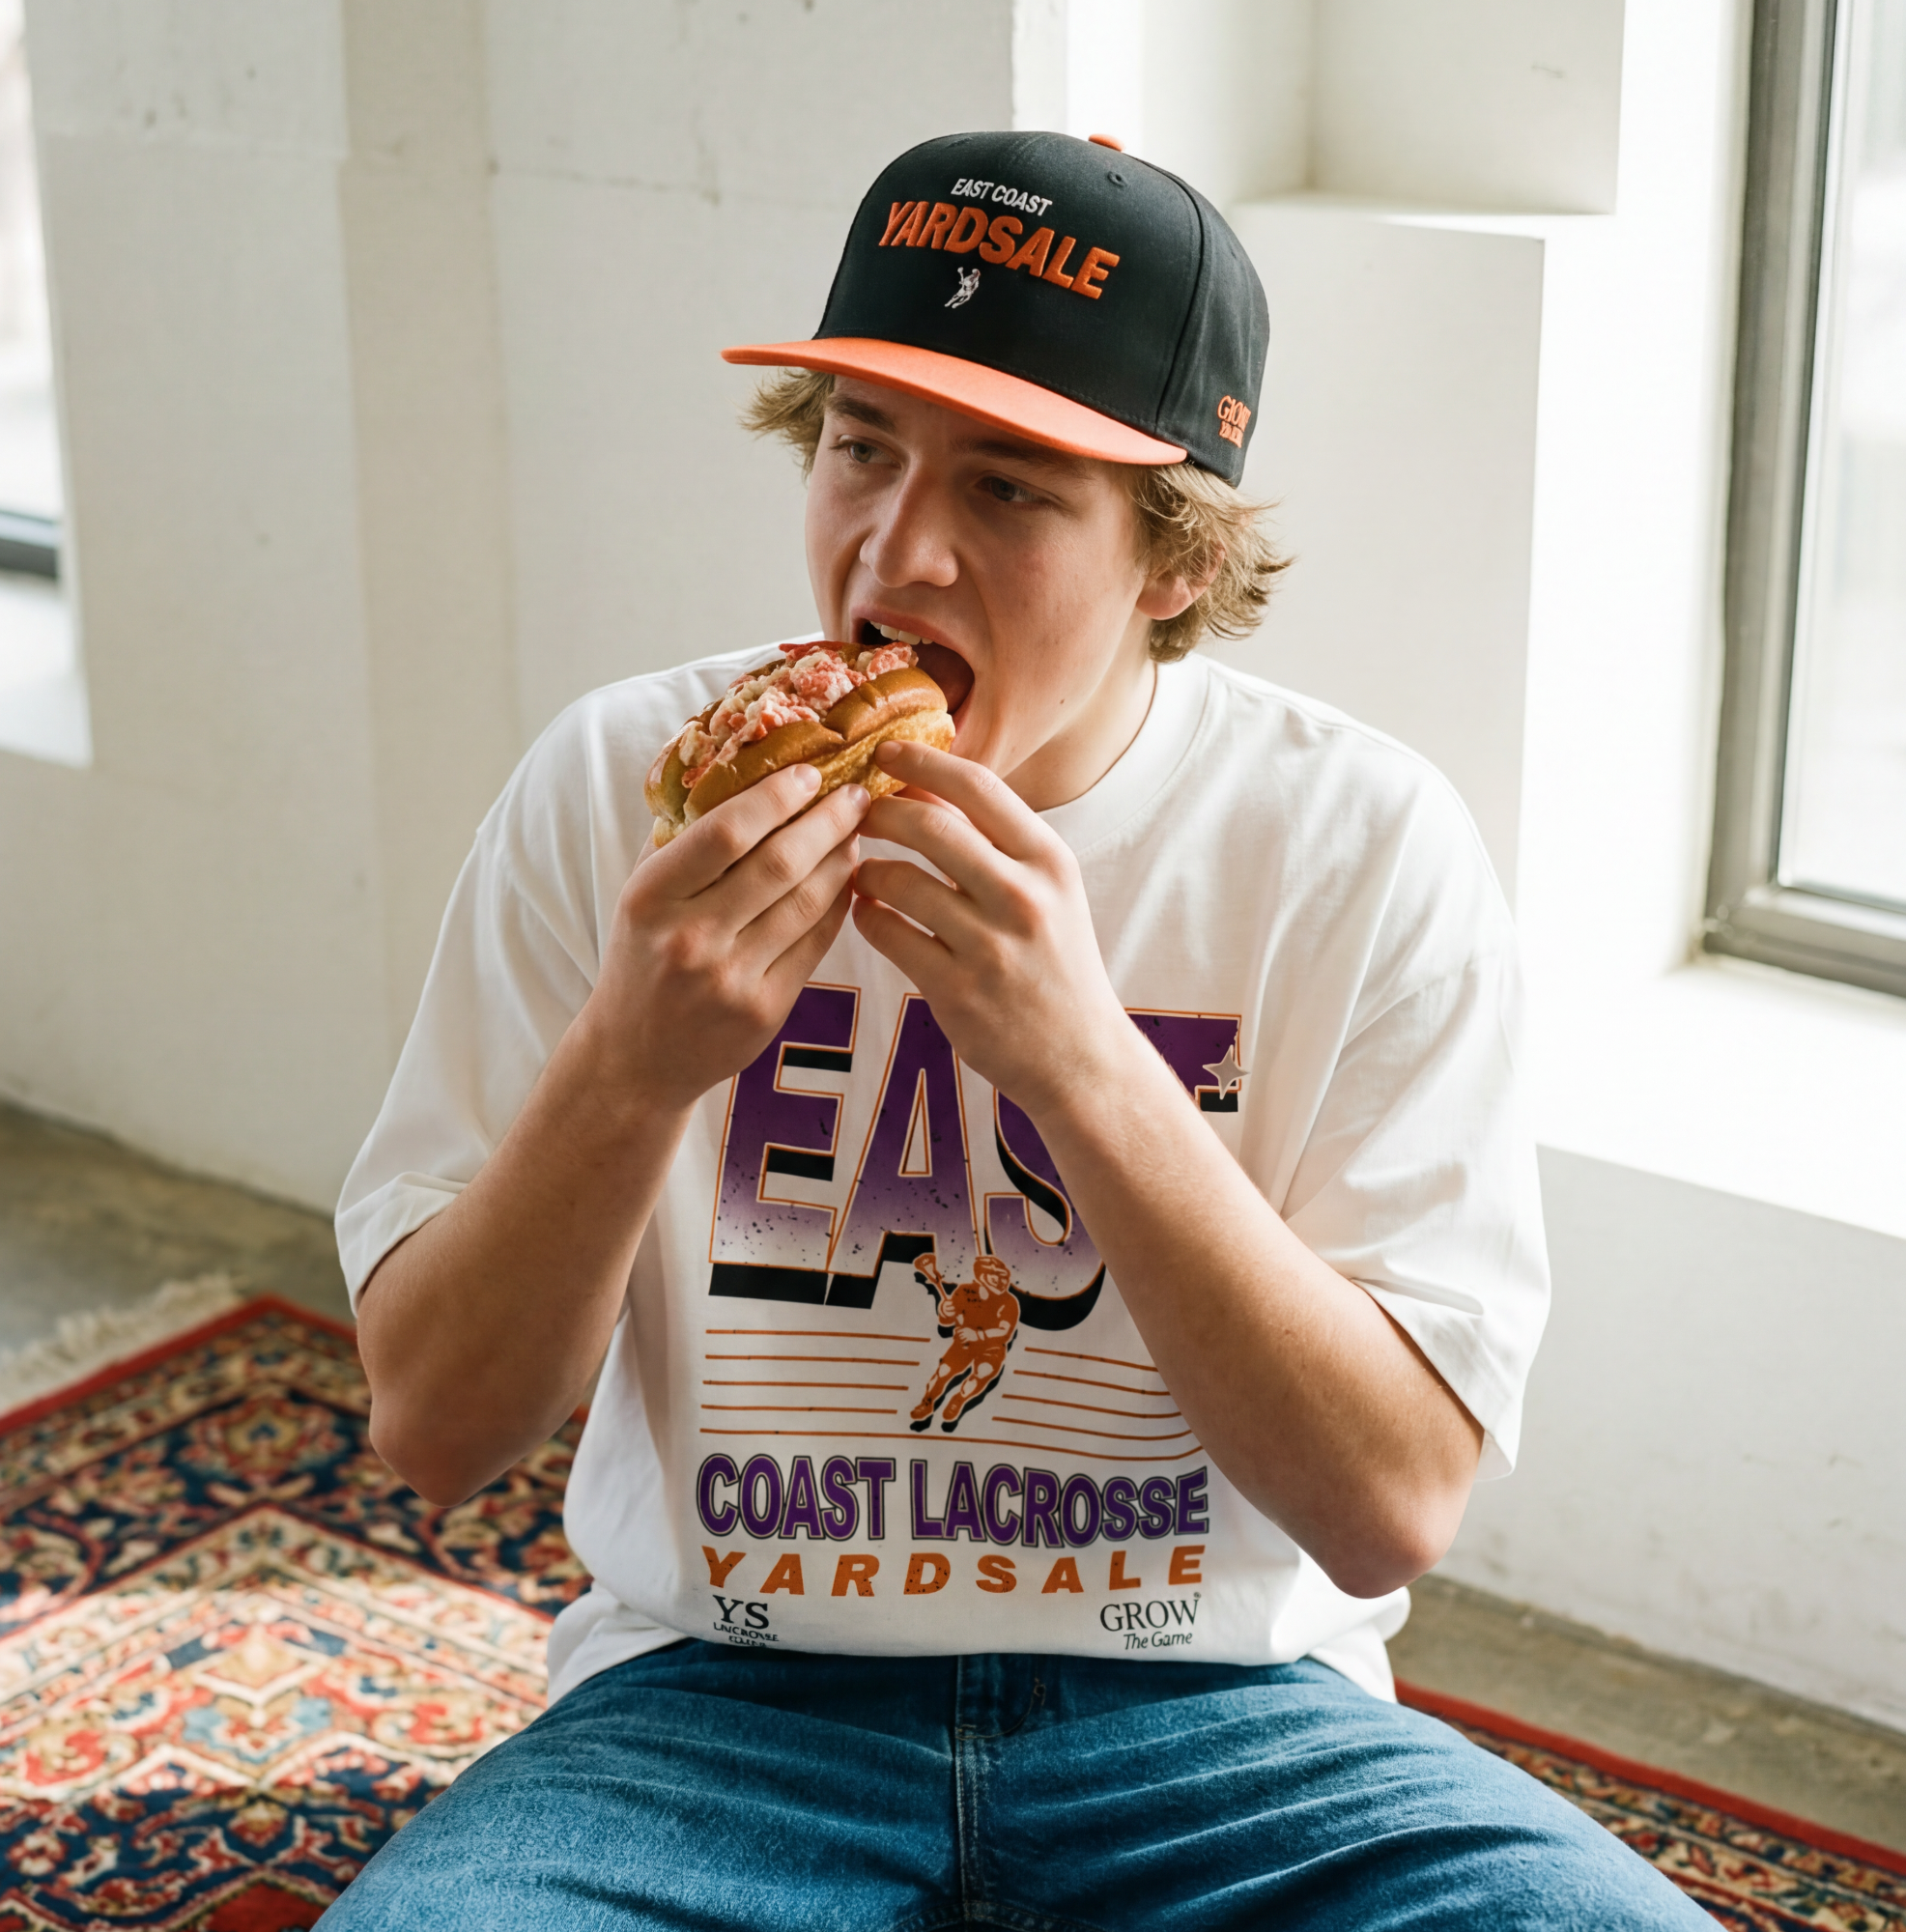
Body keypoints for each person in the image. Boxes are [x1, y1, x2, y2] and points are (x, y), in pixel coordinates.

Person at [321, 130, 1710, 1929]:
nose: (900, 555)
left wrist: (1080, 1062)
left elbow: (1390, 1507)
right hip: (717, 1704)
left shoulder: (1357, 843)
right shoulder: (619, 792)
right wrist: (634, 1067)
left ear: (1174, 564)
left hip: (1228, 1720)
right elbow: (436, 1427)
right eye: (860, 452)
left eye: (1012, 490)